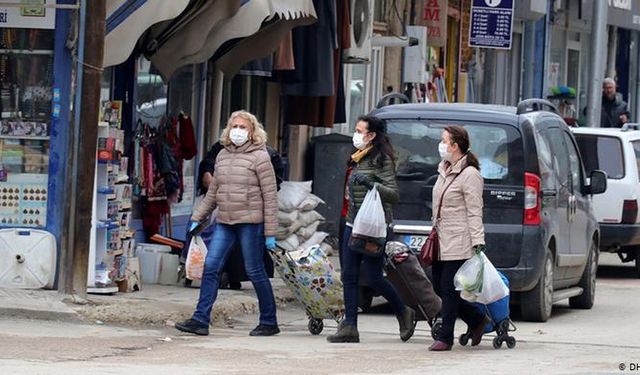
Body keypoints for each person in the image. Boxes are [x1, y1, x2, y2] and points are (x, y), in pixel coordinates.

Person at [175, 110, 280, 337]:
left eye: (243, 127)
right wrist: (196, 218)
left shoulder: (261, 158)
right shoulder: (222, 156)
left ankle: (269, 321)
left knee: (254, 270)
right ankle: (200, 319)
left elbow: (270, 197)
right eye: (235, 126)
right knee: (210, 266)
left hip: (250, 222)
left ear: (252, 132)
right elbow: (213, 193)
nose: (238, 131)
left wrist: (270, 232)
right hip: (225, 220)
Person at [327, 115, 415, 343]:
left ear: (371, 135)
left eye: (359, 130)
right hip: (352, 222)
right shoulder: (358, 157)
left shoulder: (381, 159)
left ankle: (403, 311)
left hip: (373, 227)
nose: (355, 135)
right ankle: (349, 326)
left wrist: (371, 185)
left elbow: (393, 194)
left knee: (374, 277)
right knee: (349, 275)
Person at [428, 125, 491, 351]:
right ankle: (476, 319)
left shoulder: (470, 174)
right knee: (437, 285)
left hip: (459, 238)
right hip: (440, 239)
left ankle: (446, 337)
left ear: (455, 146)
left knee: (448, 287)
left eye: (444, 141)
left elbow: (475, 210)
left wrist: (477, 241)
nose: (441, 145)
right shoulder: (444, 169)